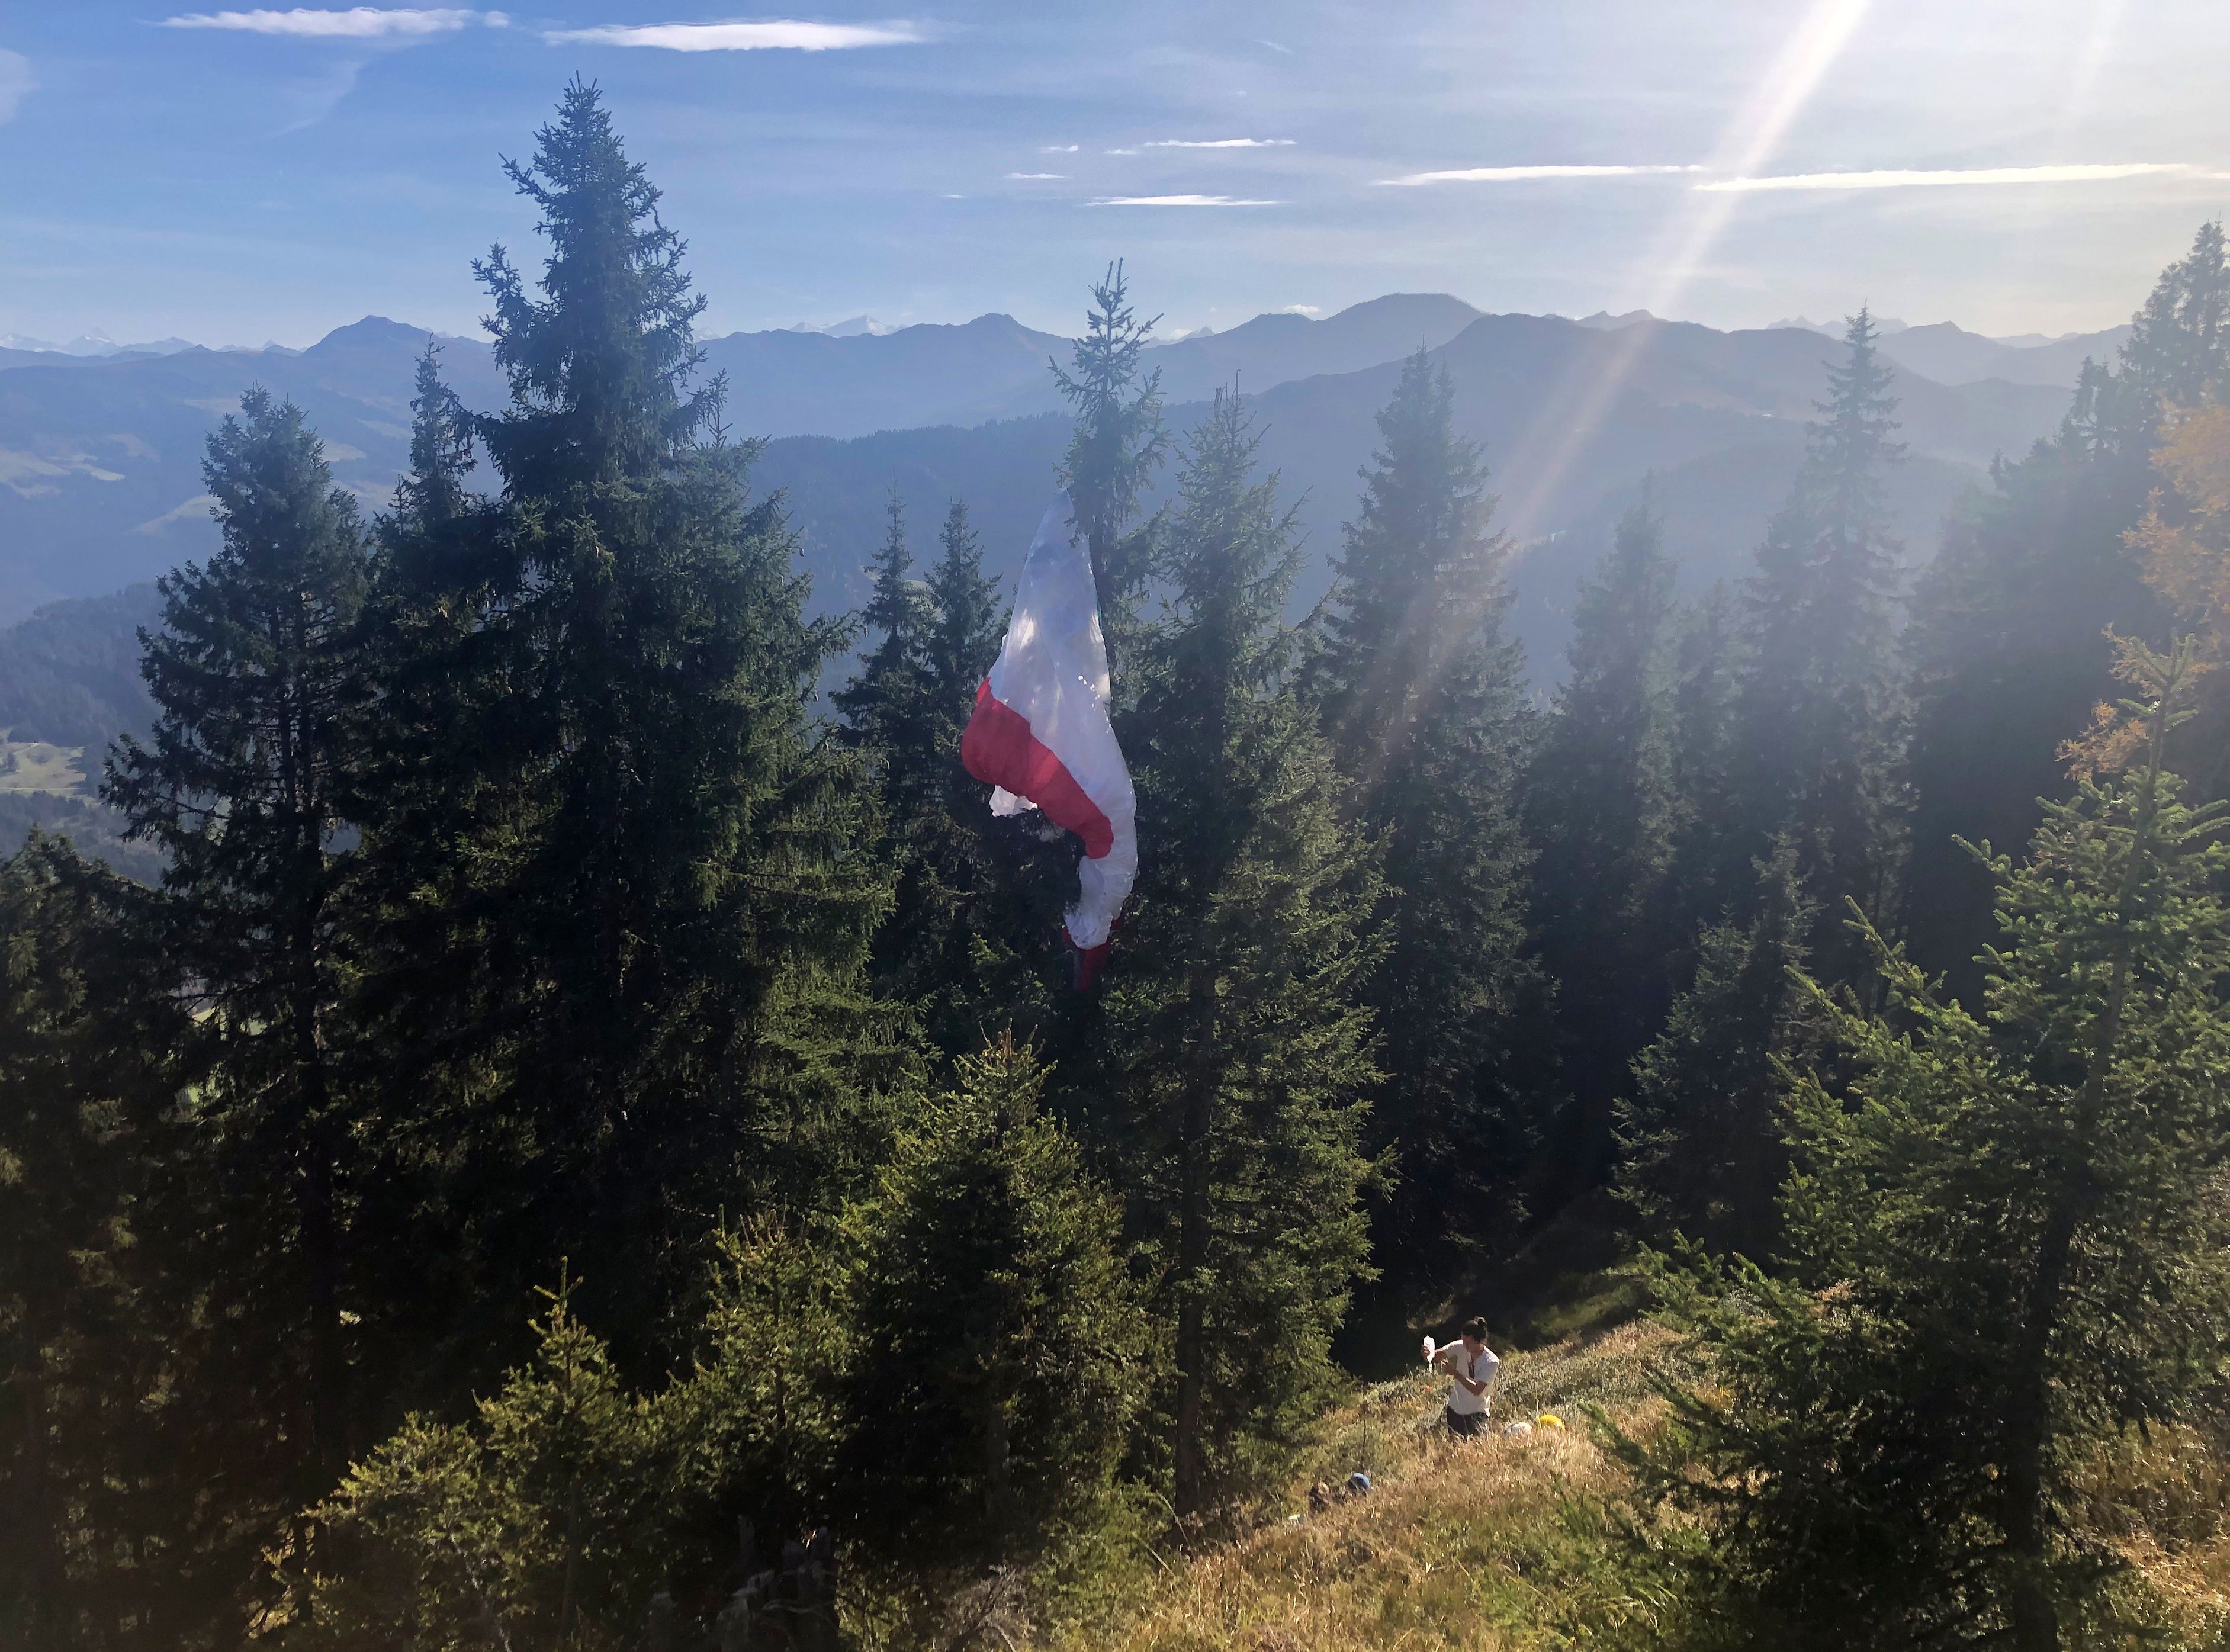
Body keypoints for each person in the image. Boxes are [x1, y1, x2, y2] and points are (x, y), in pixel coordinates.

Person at [1429, 1316, 1500, 1438]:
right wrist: (1428, 1353)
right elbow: (1436, 1356)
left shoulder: (1491, 1361)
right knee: (1456, 1449)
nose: (1464, 1345)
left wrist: (1456, 1374)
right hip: (1455, 1410)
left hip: (1477, 1412)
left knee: (1478, 1449)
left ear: (1478, 1341)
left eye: (1467, 1342)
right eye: (1463, 1341)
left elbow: (1477, 1390)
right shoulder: (1460, 1347)